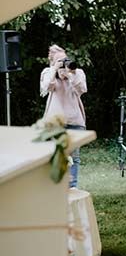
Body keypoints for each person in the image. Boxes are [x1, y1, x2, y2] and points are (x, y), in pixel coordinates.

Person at [40, 44, 87, 188]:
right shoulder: (48, 73)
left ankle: (72, 187)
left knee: (74, 156)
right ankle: (55, 187)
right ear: (52, 62)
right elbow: (45, 88)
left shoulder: (77, 73)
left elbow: (82, 89)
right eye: (59, 61)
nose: (63, 64)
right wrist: (54, 70)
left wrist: (70, 75)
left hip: (75, 121)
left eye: (64, 60)